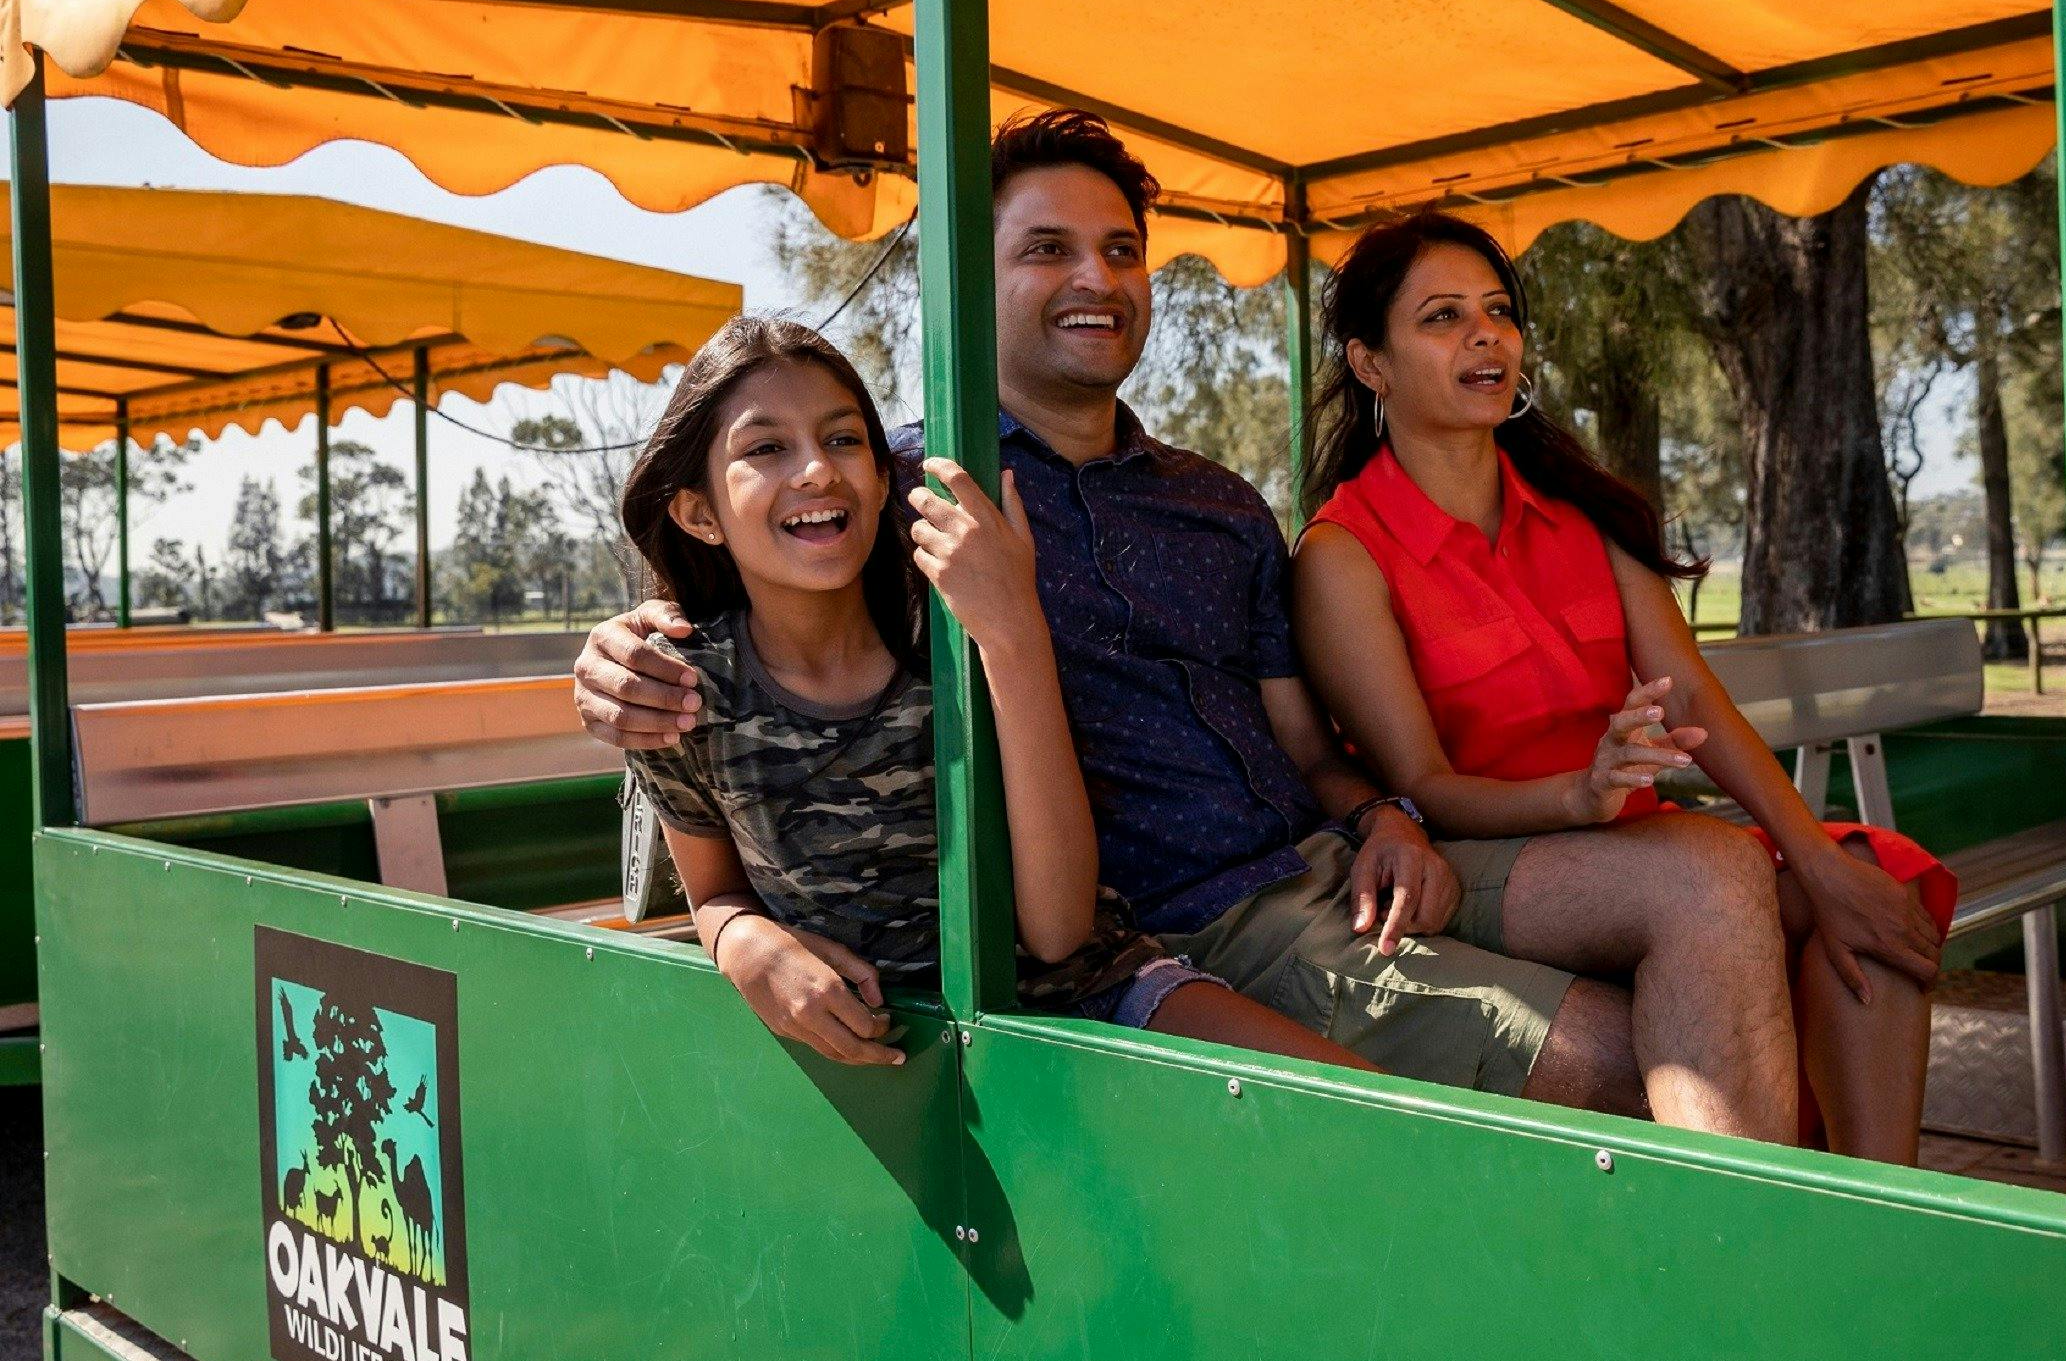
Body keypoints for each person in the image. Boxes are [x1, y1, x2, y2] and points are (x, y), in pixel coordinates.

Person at [577, 109, 1802, 1141]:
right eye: (1046, 249)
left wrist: (1382, 812)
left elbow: (1308, 745)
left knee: (1721, 881)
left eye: (1121, 250)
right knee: (1617, 1055)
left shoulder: (1216, 503)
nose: (1096, 279)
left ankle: (1810, 1307)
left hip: (1336, 859)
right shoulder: (904, 492)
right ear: (968, 277)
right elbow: (752, 561)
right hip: (1190, 914)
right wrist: (620, 642)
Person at [1292, 210, 1955, 1162]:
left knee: (1870, 883)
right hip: (1481, 857)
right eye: (1442, 317)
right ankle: (1747, 1248)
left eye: (1497, 312)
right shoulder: (1343, 554)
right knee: (1710, 871)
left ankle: (1881, 1218)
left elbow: (1686, 692)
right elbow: (1423, 789)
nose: (1485, 335)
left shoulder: (1579, 510)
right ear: (1369, 364)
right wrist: (1580, 793)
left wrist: (1810, 853)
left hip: (1628, 845)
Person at [614, 314, 1366, 1071]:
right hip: (896, 1049)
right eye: (766, 448)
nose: (816, 470)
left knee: (1373, 1111)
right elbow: (712, 893)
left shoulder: (952, 632)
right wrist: (744, 944)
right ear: (698, 511)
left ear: (883, 481)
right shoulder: (678, 688)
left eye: (844, 439)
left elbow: (1060, 930)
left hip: (1095, 997)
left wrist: (1013, 633)